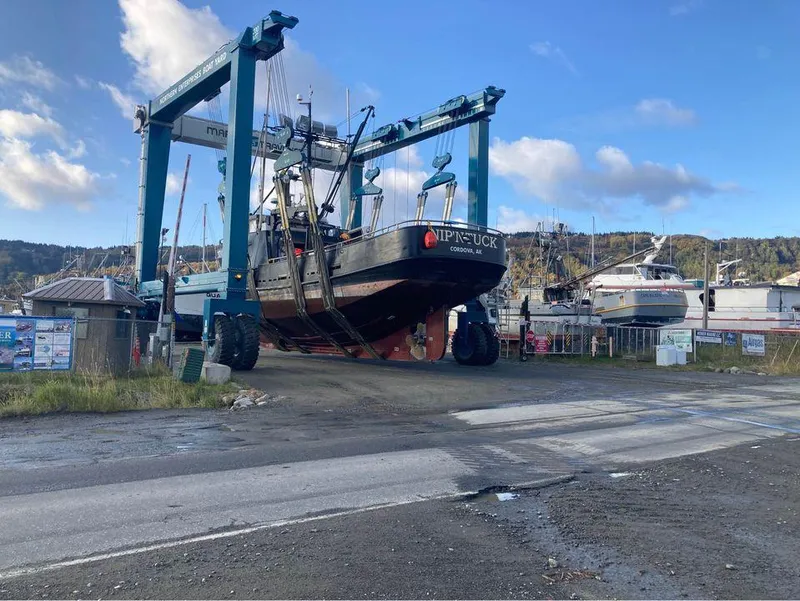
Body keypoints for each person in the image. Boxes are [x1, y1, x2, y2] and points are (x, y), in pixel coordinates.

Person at [519, 295, 530, 361]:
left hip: (523, 320)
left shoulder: (522, 310)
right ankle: (524, 351)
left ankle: (523, 351)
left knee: (523, 336)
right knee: (523, 336)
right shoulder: (523, 311)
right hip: (523, 320)